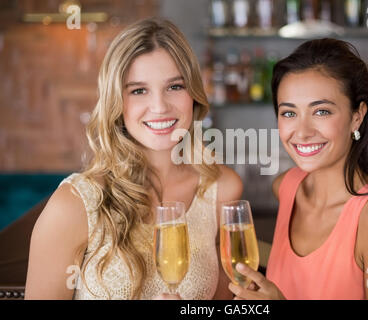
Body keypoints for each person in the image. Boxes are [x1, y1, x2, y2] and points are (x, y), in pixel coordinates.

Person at [25, 18, 242, 300]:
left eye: (175, 86)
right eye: (138, 90)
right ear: (116, 101)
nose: (160, 106)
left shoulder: (221, 189)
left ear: (194, 94)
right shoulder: (74, 205)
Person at [229, 38, 368, 300]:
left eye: (322, 112)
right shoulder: (286, 187)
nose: (303, 132)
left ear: (357, 116)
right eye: (289, 113)